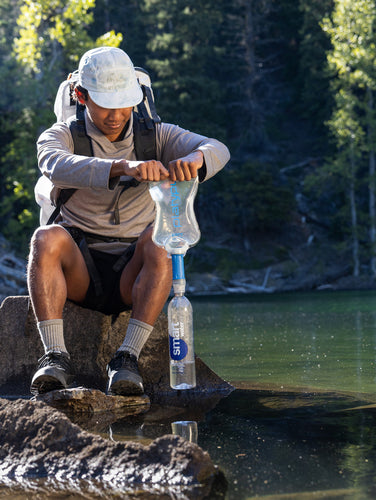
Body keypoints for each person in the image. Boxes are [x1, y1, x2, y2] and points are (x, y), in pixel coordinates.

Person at [28, 46, 230, 396]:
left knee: (159, 241)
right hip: (79, 267)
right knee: (45, 239)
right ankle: (55, 357)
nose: (116, 114)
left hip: (132, 274)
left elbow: (219, 149)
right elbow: (53, 163)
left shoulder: (156, 135)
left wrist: (195, 159)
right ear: (81, 95)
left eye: (124, 103)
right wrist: (122, 167)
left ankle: (126, 359)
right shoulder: (62, 135)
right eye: (106, 103)